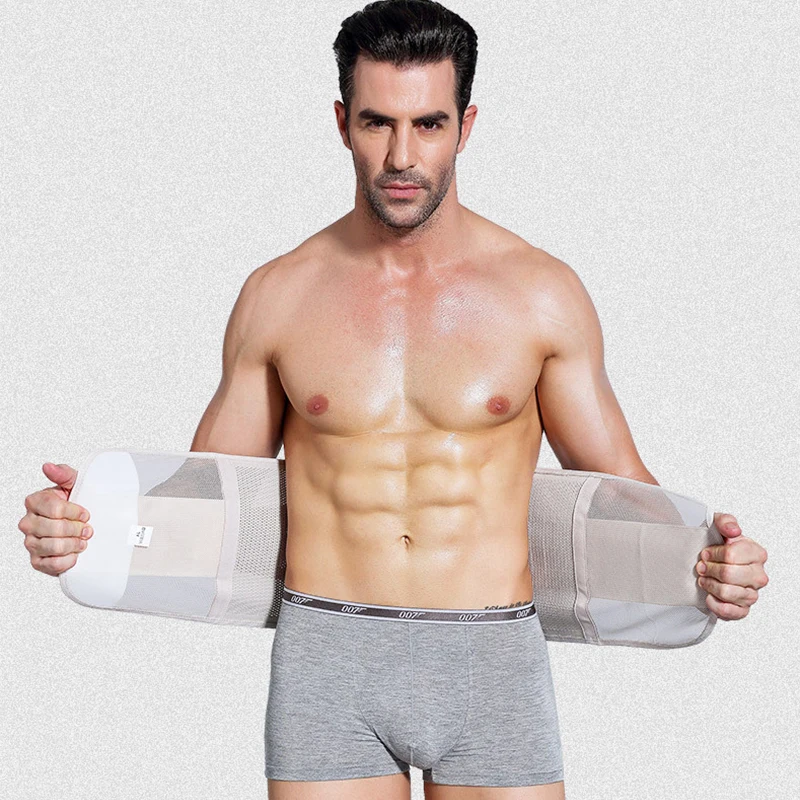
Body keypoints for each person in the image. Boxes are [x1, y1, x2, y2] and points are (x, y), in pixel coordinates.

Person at [18, 1, 769, 798]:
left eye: (429, 124)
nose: (402, 156)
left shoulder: (541, 294)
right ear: (342, 122)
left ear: (465, 126)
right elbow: (205, 508)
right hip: (328, 657)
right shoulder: (279, 295)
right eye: (377, 123)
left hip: (492, 662)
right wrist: (82, 527)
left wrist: (711, 565)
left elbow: (625, 491)